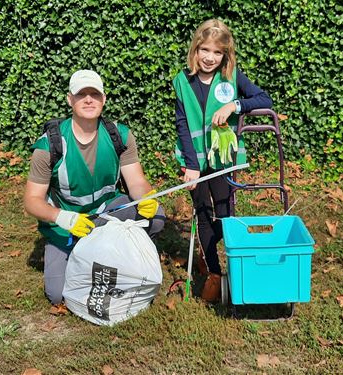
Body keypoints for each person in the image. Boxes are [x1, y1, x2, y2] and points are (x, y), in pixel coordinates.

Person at [24, 69, 165, 304]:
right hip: (67, 225)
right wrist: (63, 218)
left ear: (104, 99)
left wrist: (145, 198)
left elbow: (137, 182)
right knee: (58, 296)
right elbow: (31, 200)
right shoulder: (49, 145)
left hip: (106, 214)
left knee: (157, 217)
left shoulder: (120, 135)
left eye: (95, 94)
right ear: (70, 99)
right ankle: (86, 253)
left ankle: (126, 256)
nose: (89, 100)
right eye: (81, 94)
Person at [173, 19, 273, 302]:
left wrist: (235, 105)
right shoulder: (182, 81)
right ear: (195, 49)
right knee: (203, 214)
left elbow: (264, 99)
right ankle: (214, 275)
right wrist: (191, 166)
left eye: (217, 53)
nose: (210, 58)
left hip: (224, 160)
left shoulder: (232, 78)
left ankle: (234, 267)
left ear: (225, 55)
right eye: (205, 50)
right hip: (196, 163)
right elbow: (182, 123)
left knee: (225, 214)